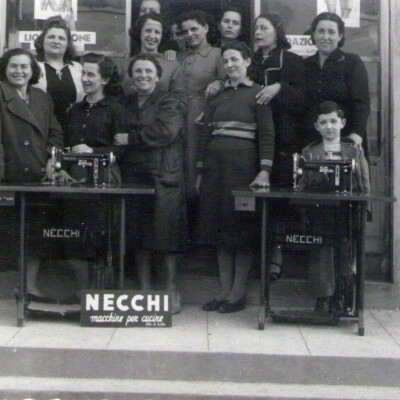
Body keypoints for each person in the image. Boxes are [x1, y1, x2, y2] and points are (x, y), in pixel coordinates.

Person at [197, 42, 275, 313]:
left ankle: (238, 292)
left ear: (247, 61)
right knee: (220, 230)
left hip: (244, 171)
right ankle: (223, 290)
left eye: (235, 60)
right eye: (226, 61)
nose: (230, 65)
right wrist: (200, 170)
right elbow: (205, 134)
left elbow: (266, 135)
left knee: (240, 231)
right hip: (216, 170)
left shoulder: (258, 94)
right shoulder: (216, 94)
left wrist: (264, 170)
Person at [114, 54, 187, 314]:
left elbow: (166, 132)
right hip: (133, 173)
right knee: (138, 235)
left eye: (148, 71)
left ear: (158, 75)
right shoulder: (126, 102)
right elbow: (116, 133)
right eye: (138, 71)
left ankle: (170, 291)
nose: (143, 75)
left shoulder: (169, 101)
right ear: (131, 77)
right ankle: (144, 292)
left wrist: (132, 137)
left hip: (163, 175)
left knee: (166, 235)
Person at [0, 48, 69, 302]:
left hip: (40, 176)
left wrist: (54, 160)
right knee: (11, 234)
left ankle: (28, 286)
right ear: (5, 69)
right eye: (13, 66)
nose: (18, 71)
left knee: (36, 232)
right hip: (10, 177)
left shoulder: (42, 98)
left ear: (32, 71)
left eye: (24, 67)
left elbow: (55, 134)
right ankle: (18, 285)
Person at [60, 53, 126, 302]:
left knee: (102, 232)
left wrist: (93, 151)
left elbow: (121, 149)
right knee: (75, 233)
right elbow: (65, 144)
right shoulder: (74, 110)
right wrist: (63, 167)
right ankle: (83, 288)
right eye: (83, 74)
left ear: (105, 79)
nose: (85, 79)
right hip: (75, 178)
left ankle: (102, 293)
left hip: (105, 177)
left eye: (91, 74)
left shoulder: (116, 110)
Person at [248, 13, 306, 280]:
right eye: (256, 28)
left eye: (264, 28)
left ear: (277, 31)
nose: (258, 32)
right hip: (252, 139)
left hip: (283, 140)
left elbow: (304, 99)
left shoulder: (292, 61)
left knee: (277, 204)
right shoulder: (250, 61)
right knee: (250, 203)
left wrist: (279, 88)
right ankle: (252, 257)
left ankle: (275, 257)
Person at [298, 101, 370, 313]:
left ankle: (341, 296)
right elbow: (302, 185)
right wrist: (304, 209)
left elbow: (364, 183)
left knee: (345, 251)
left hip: (347, 212)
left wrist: (364, 210)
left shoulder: (354, 150)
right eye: (323, 122)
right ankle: (323, 297)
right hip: (320, 212)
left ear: (342, 123)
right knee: (322, 252)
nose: (329, 126)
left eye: (333, 121)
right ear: (316, 126)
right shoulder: (309, 152)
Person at [304, 12, 370, 158]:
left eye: (331, 32)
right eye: (320, 31)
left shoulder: (351, 62)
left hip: (346, 139)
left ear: (339, 36)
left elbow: (361, 103)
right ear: (313, 34)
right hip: (312, 141)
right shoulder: (305, 65)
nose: (325, 36)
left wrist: (357, 133)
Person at [177, 9, 225, 201]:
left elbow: (227, 81)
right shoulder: (179, 56)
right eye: (185, 31)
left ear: (205, 28)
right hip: (178, 115)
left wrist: (218, 82)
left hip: (201, 115)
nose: (190, 34)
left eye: (194, 29)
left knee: (198, 162)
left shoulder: (217, 54)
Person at [122, 12, 186, 107]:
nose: (152, 36)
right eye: (148, 30)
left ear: (162, 36)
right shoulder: (125, 64)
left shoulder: (172, 65)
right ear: (140, 32)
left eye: (157, 32)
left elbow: (180, 101)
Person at [33, 15, 84, 131]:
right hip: (41, 129)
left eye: (61, 38)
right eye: (51, 37)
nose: (56, 41)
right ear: (42, 40)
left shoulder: (78, 68)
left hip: (73, 130)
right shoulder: (32, 66)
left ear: (67, 43)